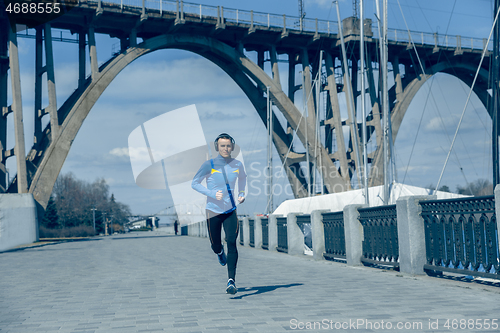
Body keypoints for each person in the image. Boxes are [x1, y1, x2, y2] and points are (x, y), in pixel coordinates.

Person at [191, 133, 246, 294]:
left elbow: (242, 179)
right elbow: (195, 183)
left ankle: (231, 281)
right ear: (217, 147)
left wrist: (241, 193)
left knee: (231, 241)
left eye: (228, 146)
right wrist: (212, 194)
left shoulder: (237, 165)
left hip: (230, 210)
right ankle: (219, 252)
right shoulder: (209, 164)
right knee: (216, 244)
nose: (225, 148)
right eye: (222, 146)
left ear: (232, 147)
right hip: (213, 210)